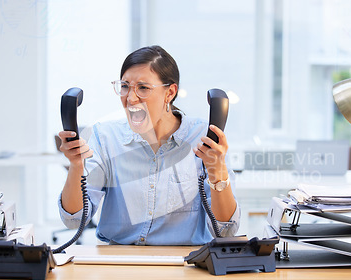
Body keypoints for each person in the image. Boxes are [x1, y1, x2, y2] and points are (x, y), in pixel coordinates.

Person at [57, 45, 239, 245]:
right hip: (119, 262)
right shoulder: (105, 137)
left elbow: (226, 230)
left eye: (143, 88)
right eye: (125, 86)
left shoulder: (203, 138)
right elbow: (74, 220)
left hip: (186, 265)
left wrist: (217, 170)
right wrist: (76, 167)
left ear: (170, 93)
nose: (131, 98)